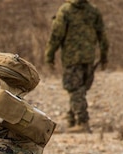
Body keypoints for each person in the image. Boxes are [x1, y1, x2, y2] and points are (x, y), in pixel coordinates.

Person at [44, 0, 108, 134]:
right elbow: (102, 35)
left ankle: (82, 122)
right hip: (88, 57)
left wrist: (49, 55)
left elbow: (56, 35)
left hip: (71, 58)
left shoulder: (65, 10)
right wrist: (104, 56)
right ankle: (71, 119)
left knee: (74, 88)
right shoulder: (93, 10)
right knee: (80, 89)